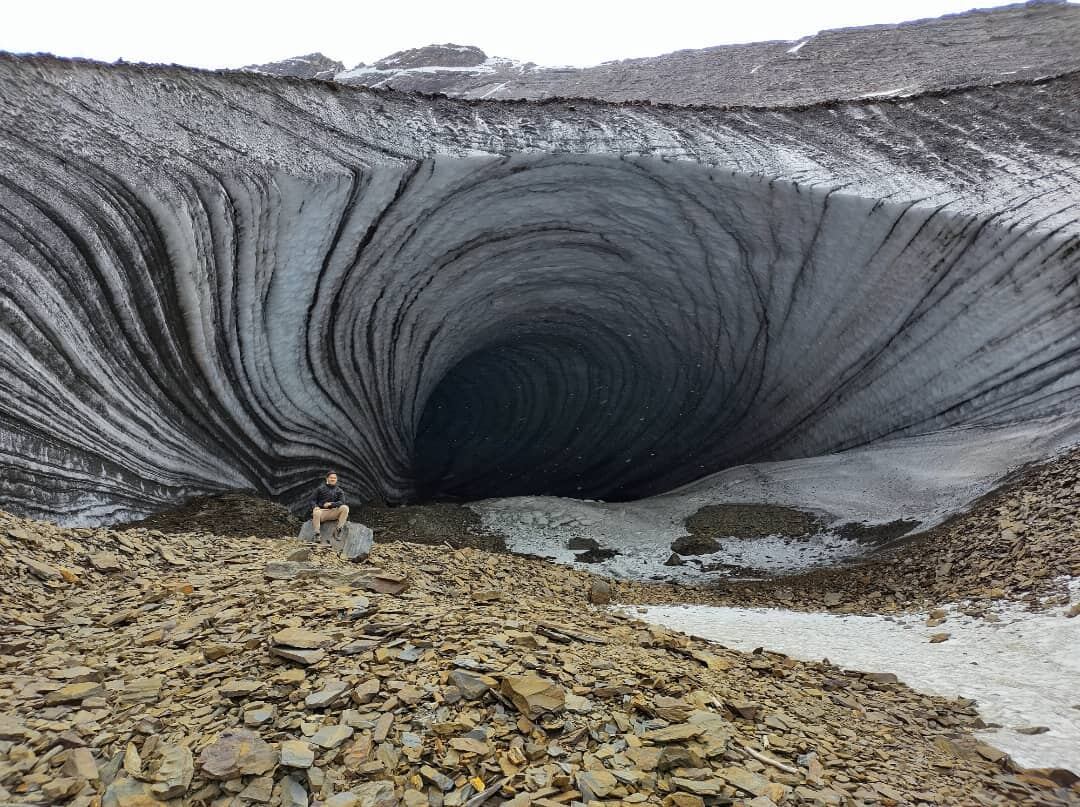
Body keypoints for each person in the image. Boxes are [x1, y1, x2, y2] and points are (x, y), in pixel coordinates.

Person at [309, 471, 349, 538]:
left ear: (336, 479)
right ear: (327, 479)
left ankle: (338, 529)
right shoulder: (320, 489)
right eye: (331, 478)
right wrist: (315, 506)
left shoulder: (339, 491)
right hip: (321, 513)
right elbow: (312, 500)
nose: (333, 479)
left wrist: (331, 504)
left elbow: (342, 502)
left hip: (333, 512)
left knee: (345, 508)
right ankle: (317, 534)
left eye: (334, 478)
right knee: (316, 512)